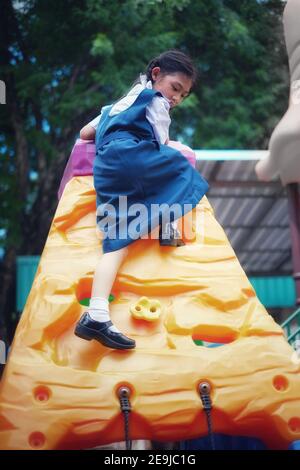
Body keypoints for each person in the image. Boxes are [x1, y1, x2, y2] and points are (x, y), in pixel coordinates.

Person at [75, 50, 209, 350]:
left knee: (117, 241)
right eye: (176, 88)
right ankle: (168, 226)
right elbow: (160, 141)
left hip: (107, 171)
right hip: (131, 158)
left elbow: (85, 133)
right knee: (181, 171)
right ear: (156, 74)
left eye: (184, 95)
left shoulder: (114, 107)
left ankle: (96, 314)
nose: (176, 98)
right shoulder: (155, 102)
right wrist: (171, 145)